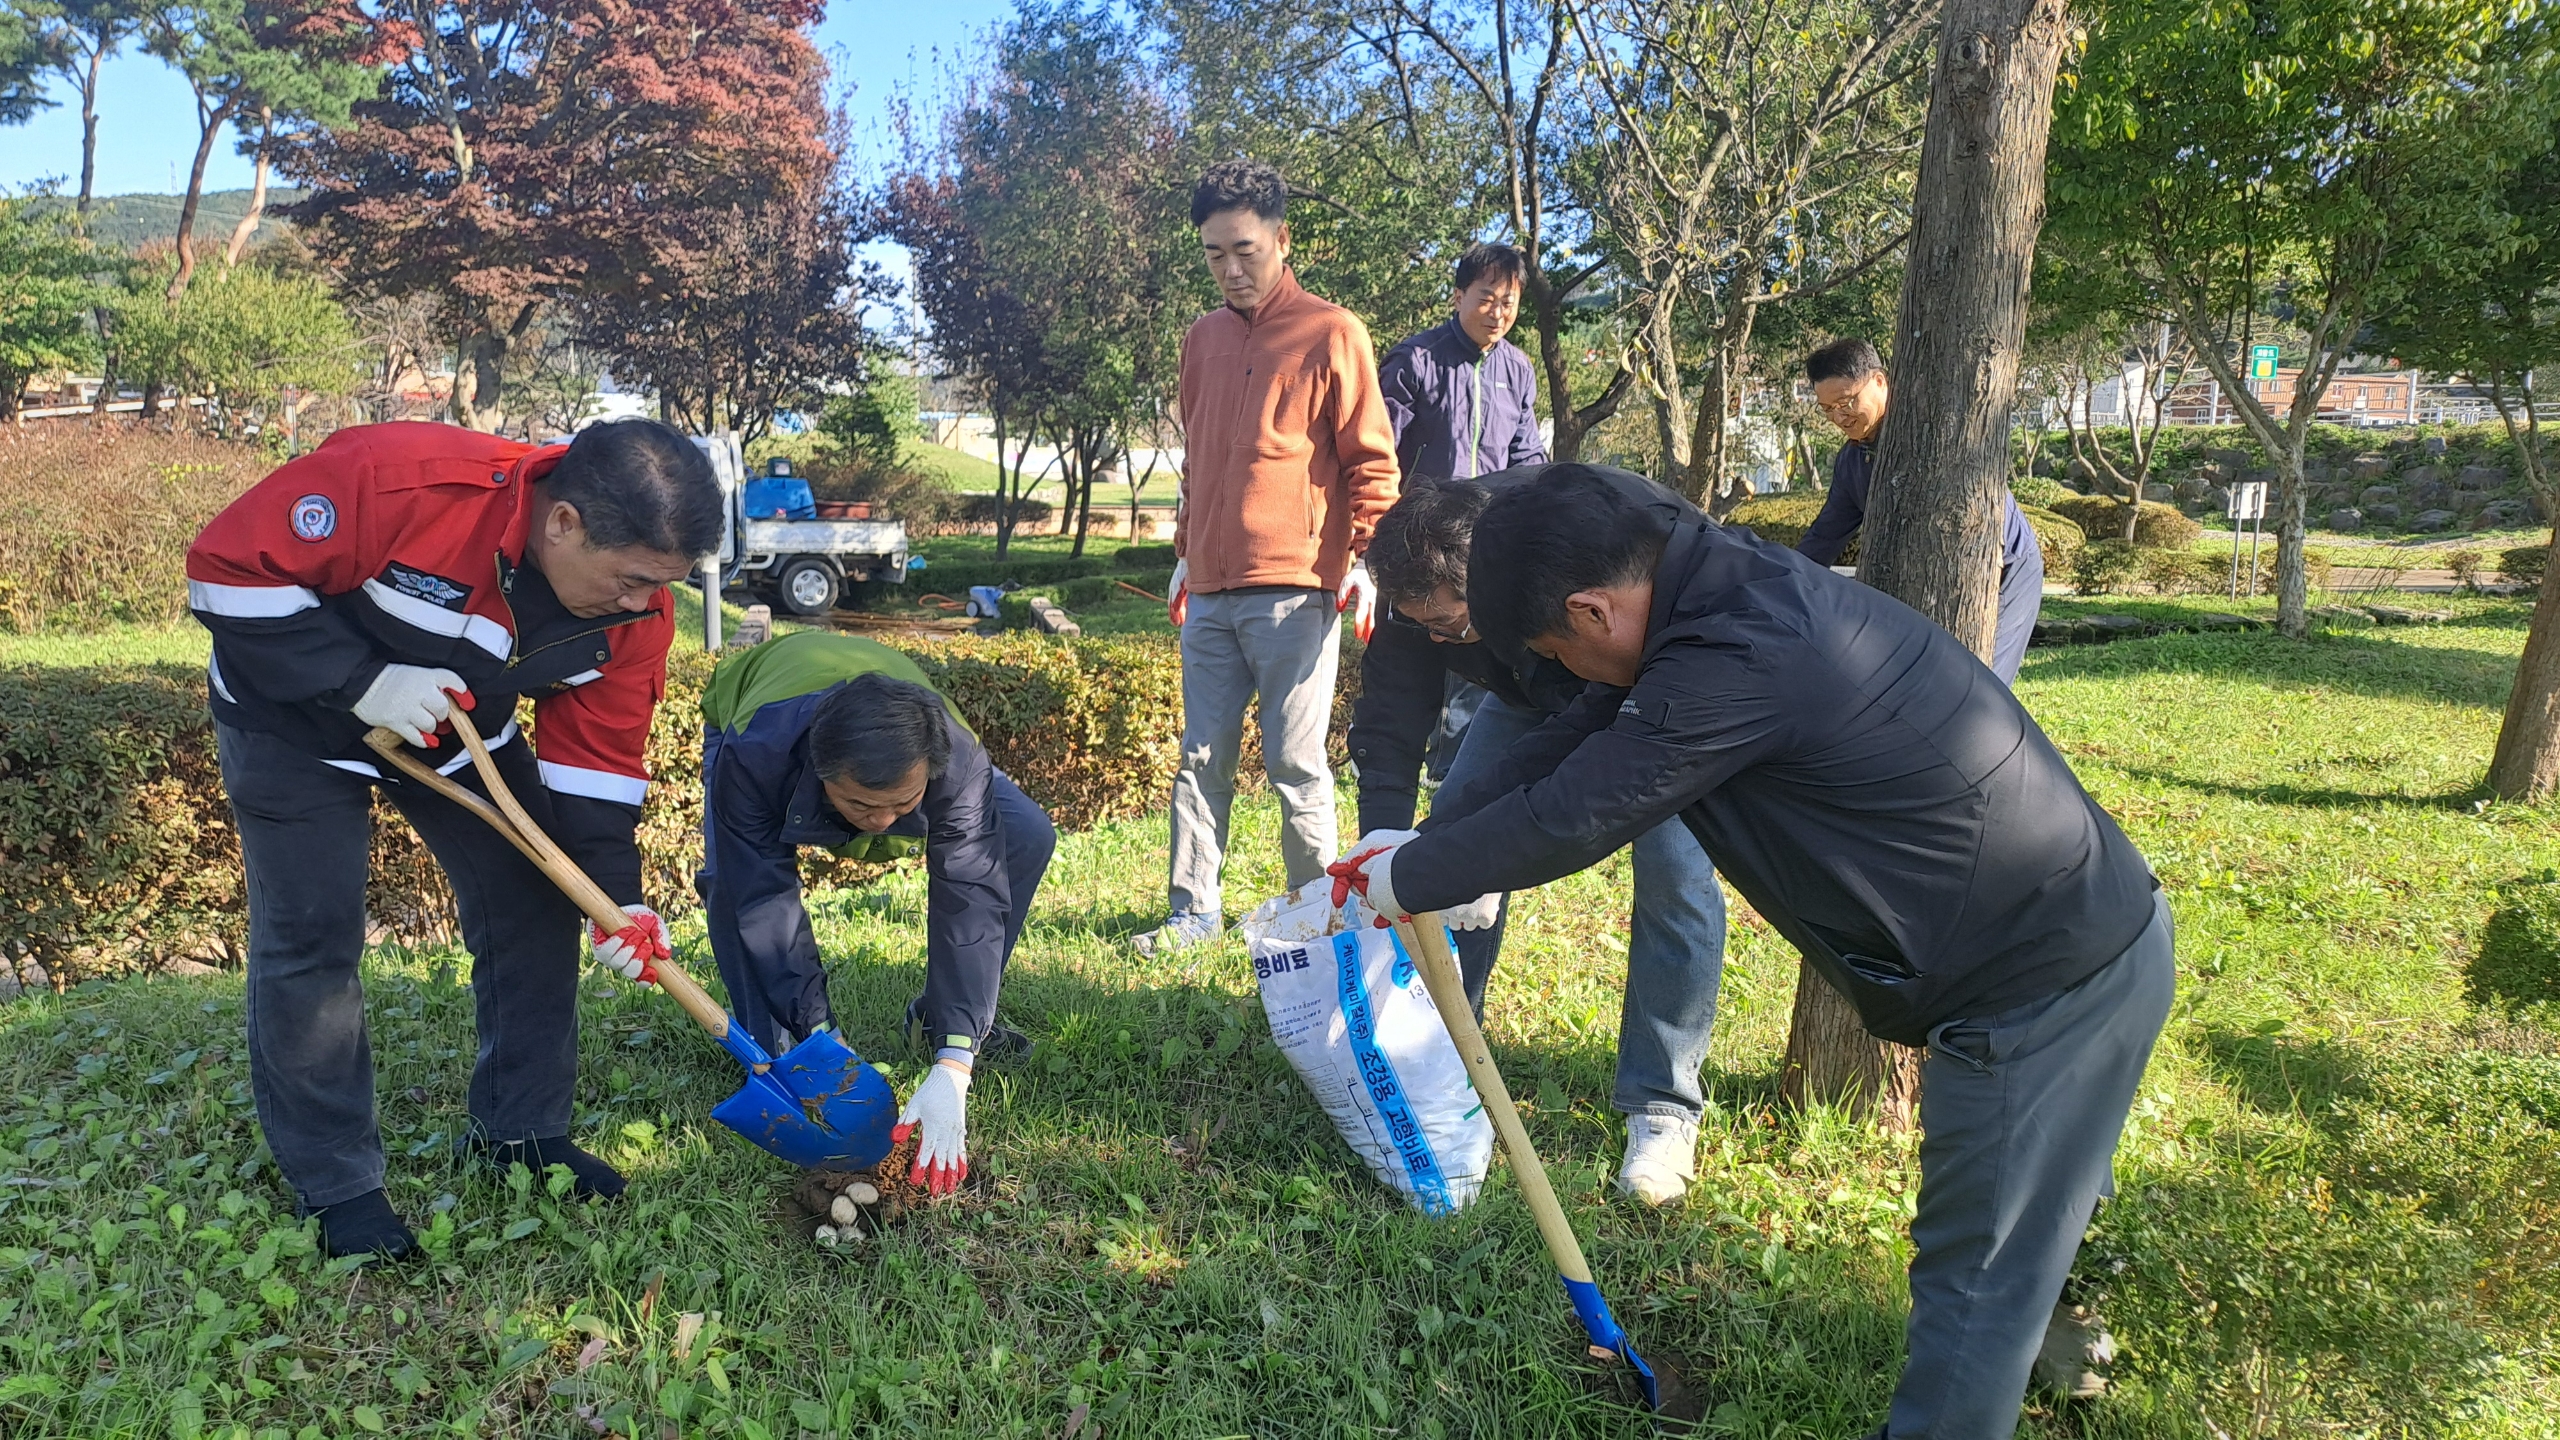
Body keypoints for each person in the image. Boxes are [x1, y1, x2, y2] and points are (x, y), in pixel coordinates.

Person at [1330, 466, 2172, 1438]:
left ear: (1590, 609)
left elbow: (1579, 809)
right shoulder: (1707, 589)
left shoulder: (1737, 652)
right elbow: (1579, 732)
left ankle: (2007, 1362)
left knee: (1972, 1282)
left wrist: (1398, 885)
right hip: (2068, 934)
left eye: (1553, 647)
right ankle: (2061, 1342)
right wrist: (1423, 847)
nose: (1555, 671)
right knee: (2023, 1222)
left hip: (2039, 981)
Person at [187, 418, 724, 1259]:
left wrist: (617, 897)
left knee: (535, 905)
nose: (644, 604)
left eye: (663, 586)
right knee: (312, 940)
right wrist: (359, 681)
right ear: (564, 524)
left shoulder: (638, 613)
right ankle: (338, 1189)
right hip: (289, 718)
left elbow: (596, 767)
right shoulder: (405, 479)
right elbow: (227, 572)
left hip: (456, 730)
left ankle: (520, 1135)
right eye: (631, 581)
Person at [1346, 472, 1725, 1202]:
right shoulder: (1417, 584)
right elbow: (1392, 718)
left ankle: (1662, 1105)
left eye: (1450, 626)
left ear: (1489, 581)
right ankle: (1454, 1052)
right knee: (1445, 843)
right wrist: (1390, 844)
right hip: (1530, 692)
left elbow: (1572, 809)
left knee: (1677, 871)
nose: (1434, 640)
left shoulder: (1571, 537)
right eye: (1418, 623)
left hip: (1657, 684)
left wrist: (1514, 843)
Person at [1136, 157, 1401, 954]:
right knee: (1200, 760)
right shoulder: (1203, 338)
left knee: (1295, 765)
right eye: (1215, 254)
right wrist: (1186, 551)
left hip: (1297, 589)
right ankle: (1193, 913)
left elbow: (1372, 463)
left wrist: (1365, 559)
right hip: (1210, 590)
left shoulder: (1333, 332)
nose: (1230, 269)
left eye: (1245, 250)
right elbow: (1200, 457)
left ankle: (1313, 920)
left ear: (1282, 240)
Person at [695, 630, 1056, 1197]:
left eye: (904, 805)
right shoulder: (757, 752)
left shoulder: (956, 760)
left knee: (1027, 835)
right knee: (730, 881)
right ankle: (778, 1048)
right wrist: (819, 1030)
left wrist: (956, 1061)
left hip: (904, 731)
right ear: (818, 773)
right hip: (753, 710)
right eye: (861, 804)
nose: (884, 823)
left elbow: (971, 892)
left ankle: (942, 1022)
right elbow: (760, 891)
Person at [1798, 337, 2046, 682]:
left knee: (1984, 683)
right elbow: (1824, 538)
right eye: (1827, 409)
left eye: (1847, 401)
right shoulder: (1852, 460)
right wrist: (1780, 579)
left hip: (2005, 564)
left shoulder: (1927, 434)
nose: (1839, 416)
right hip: (1926, 580)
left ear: (1880, 381)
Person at [1377, 242, 1548, 481]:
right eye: (1486, 300)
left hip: (1492, 514)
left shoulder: (1518, 369)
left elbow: (1526, 456)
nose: (1497, 314)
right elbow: (1378, 449)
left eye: (1507, 303)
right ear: (1459, 298)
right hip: (1422, 514)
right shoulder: (1414, 360)